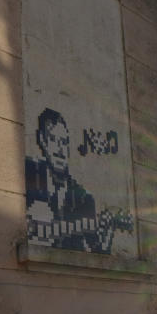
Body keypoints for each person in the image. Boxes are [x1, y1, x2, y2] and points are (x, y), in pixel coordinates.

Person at [25, 108, 131, 253]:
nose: (59, 149)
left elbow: (97, 252)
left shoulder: (82, 197)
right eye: (53, 140)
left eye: (63, 142)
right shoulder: (31, 172)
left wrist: (108, 228)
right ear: (42, 140)